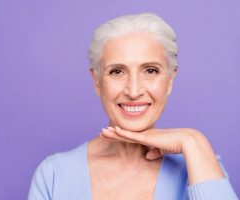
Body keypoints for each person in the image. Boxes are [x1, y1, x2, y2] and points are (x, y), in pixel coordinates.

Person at [28, 13, 238, 200]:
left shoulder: (200, 163)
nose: (134, 90)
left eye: (151, 71)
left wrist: (193, 140)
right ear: (97, 80)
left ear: (170, 79)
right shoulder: (55, 174)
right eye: (117, 71)